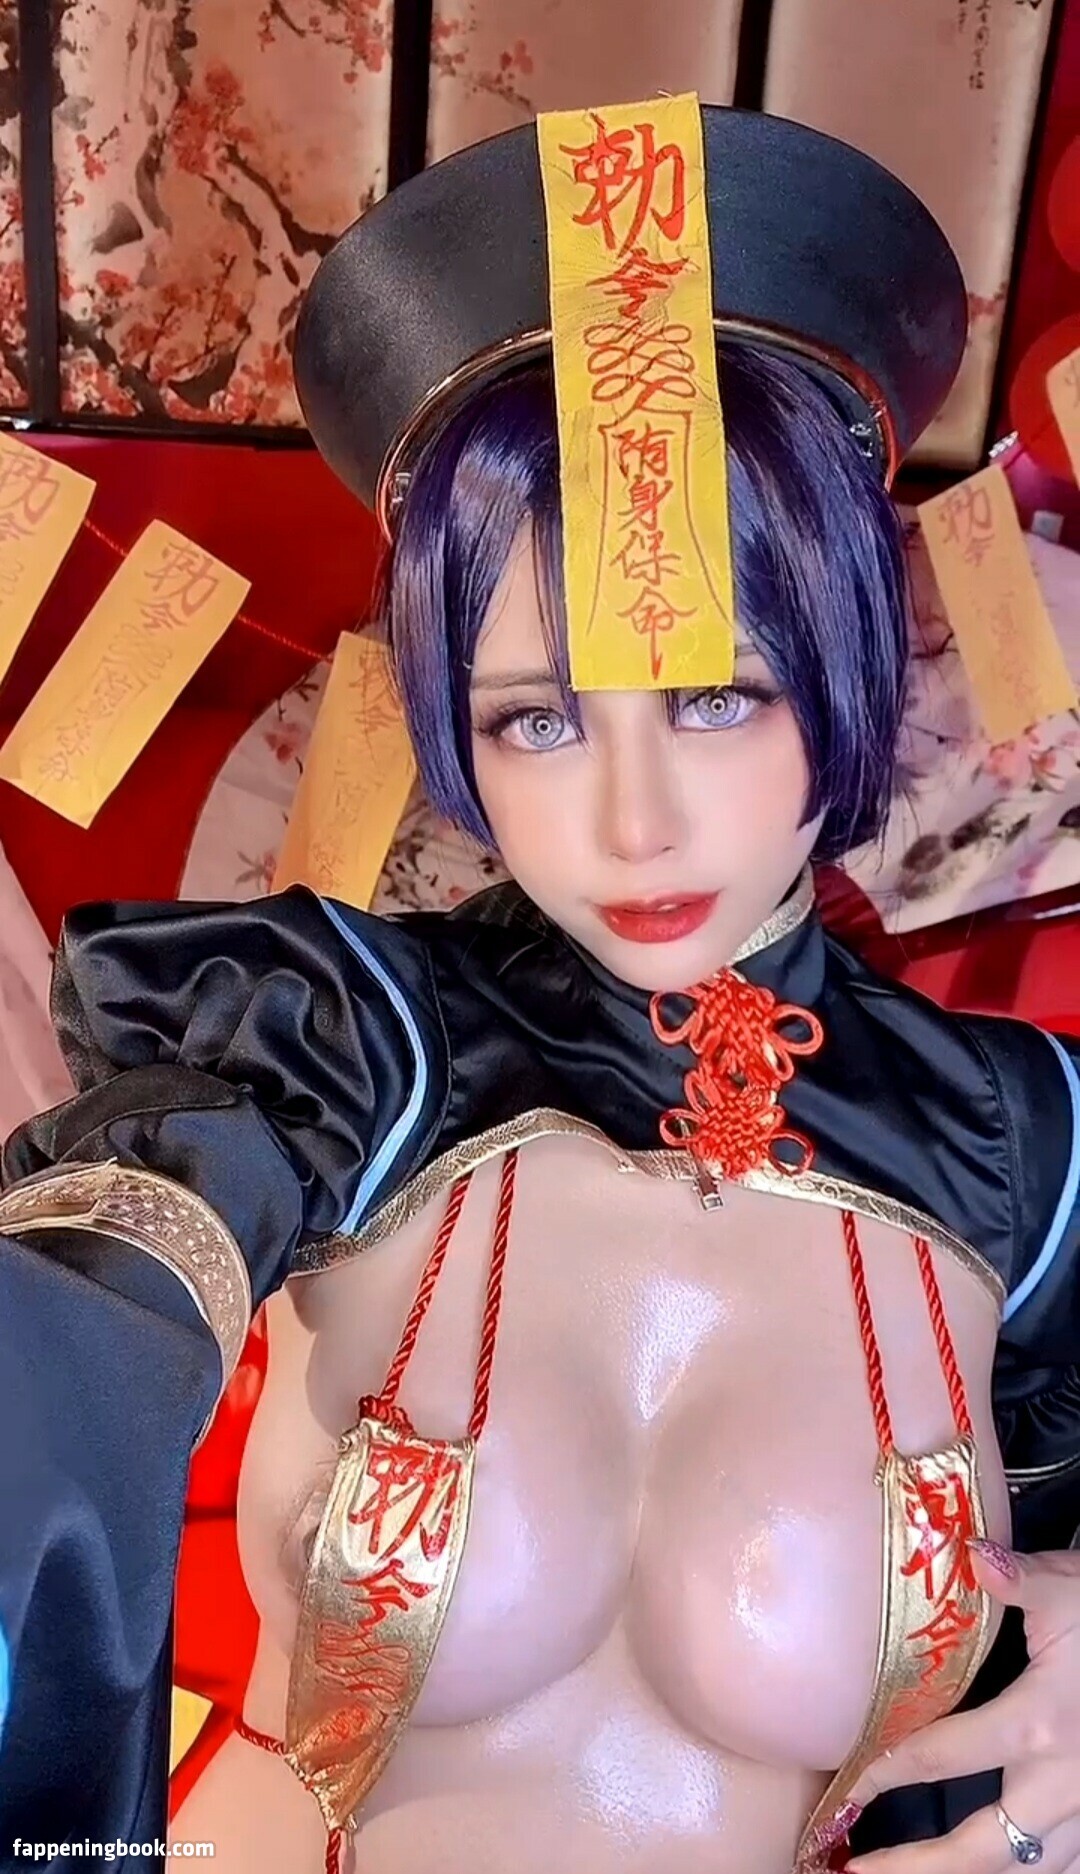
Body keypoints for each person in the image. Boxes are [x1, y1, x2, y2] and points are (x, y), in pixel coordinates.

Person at [2, 96, 1080, 1874]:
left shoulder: (1017, 1148)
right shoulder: (339, 1046)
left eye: (718, 696)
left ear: (844, 661)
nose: (632, 821)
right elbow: (72, 1331)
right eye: (535, 721)